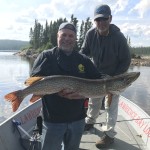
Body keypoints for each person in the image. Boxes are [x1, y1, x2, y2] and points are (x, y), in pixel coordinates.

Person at [30, 22, 104, 150]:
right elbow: (34, 82)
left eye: (71, 36)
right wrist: (56, 90)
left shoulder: (83, 59)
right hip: (53, 120)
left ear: (75, 38)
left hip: (77, 119)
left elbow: (98, 79)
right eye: (63, 35)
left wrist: (83, 93)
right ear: (57, 36)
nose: (67, 39)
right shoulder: (46, 56)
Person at [80, 4, 131, 149]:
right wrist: (79, 66)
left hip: (115, 78)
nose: (101, 23)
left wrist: (114, 78)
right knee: (93, 101)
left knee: (111, 106)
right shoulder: (90, 34)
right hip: (96, 76)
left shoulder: (119, 38)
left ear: (110, 19)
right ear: (94, 21)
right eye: (98, 20)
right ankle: (90, 121)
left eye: (104, 19)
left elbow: (126, 60)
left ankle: (109, 135)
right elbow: (84, 53)